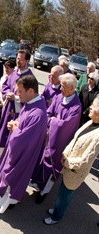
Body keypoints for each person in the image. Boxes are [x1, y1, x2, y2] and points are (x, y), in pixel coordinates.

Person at [0, 75, 47, 213]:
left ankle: (9, 202)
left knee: (13, 179)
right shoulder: (31, 104)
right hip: (17, 149)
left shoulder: (38, 114)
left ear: (31, 91)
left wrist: (15, 130)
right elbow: (22, 123)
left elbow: (25, 139)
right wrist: (14, 124)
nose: (17, 94)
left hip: (22, 155)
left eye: (20, 91)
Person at [43, 95, 99, 225]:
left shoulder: (97, 135)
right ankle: (57, 210)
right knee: (62, 191)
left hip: (75, 170)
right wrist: (65, 153)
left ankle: (57, 216)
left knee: (65, 195)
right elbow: (75, 139)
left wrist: (67, 162)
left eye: (95, 106)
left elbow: (85, 159)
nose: (90, 107)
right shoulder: (91, 122)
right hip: (68, 164)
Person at [31, 73, 82, 203]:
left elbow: (65, 126)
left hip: (59, 143)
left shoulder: (76, 107)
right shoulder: (59, 97)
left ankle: (43, 193)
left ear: (72, 89)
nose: (60, 89)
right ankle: (37, 185)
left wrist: (53, 121)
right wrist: (54, 120)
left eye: (63, 86)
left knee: (52, 168)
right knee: (41, 161)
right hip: (48, 137)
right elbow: (48, 113)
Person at [0, 49, 34, 147]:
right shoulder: (14, 73)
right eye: (17, 59)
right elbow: (5, 86)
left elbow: (30, 97)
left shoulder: (30, 78)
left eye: (21, 59)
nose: (18, 61)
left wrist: (16, 98)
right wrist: (7, 94)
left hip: (18, 111)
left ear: (27, 61)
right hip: (8, 108)